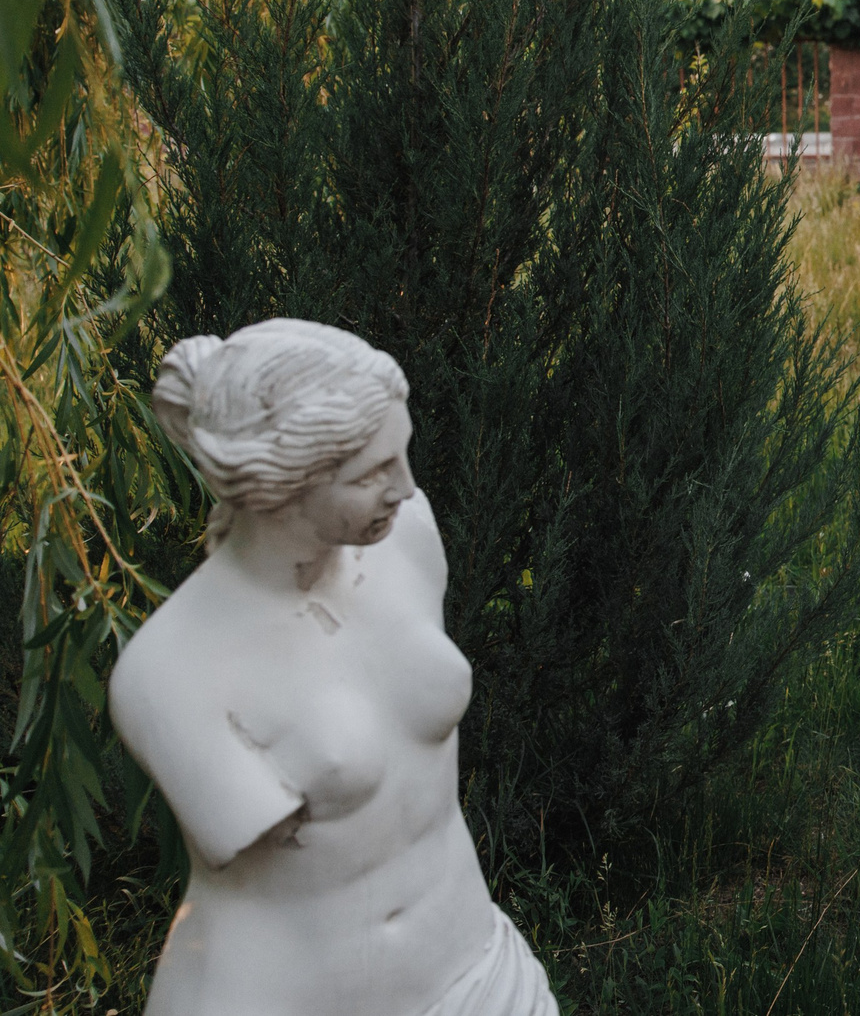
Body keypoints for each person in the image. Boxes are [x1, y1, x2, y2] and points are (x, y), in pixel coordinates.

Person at [109, 319, 556, 1016]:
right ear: (280, 482)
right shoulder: (169, 670)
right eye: (373, 472)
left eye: (402, 454)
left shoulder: (407, 535)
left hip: (475, 972)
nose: (405, 486)